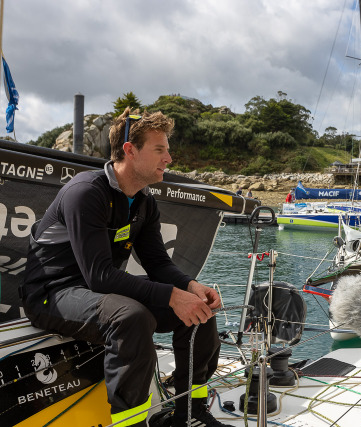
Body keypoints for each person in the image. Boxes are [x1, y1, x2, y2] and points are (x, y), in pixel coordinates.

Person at [20, 108, 232, 427]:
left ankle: (190, 413)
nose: (168, 158)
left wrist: (189, 287)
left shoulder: (144, 202)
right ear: (130, 151)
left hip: (96, 293)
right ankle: (129, 423)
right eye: (159, 150)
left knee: (198, 310)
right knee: (132, 318)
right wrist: (171, 296)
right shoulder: (86, 192)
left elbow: (158, 263)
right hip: (52, 293)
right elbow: (99, 274)